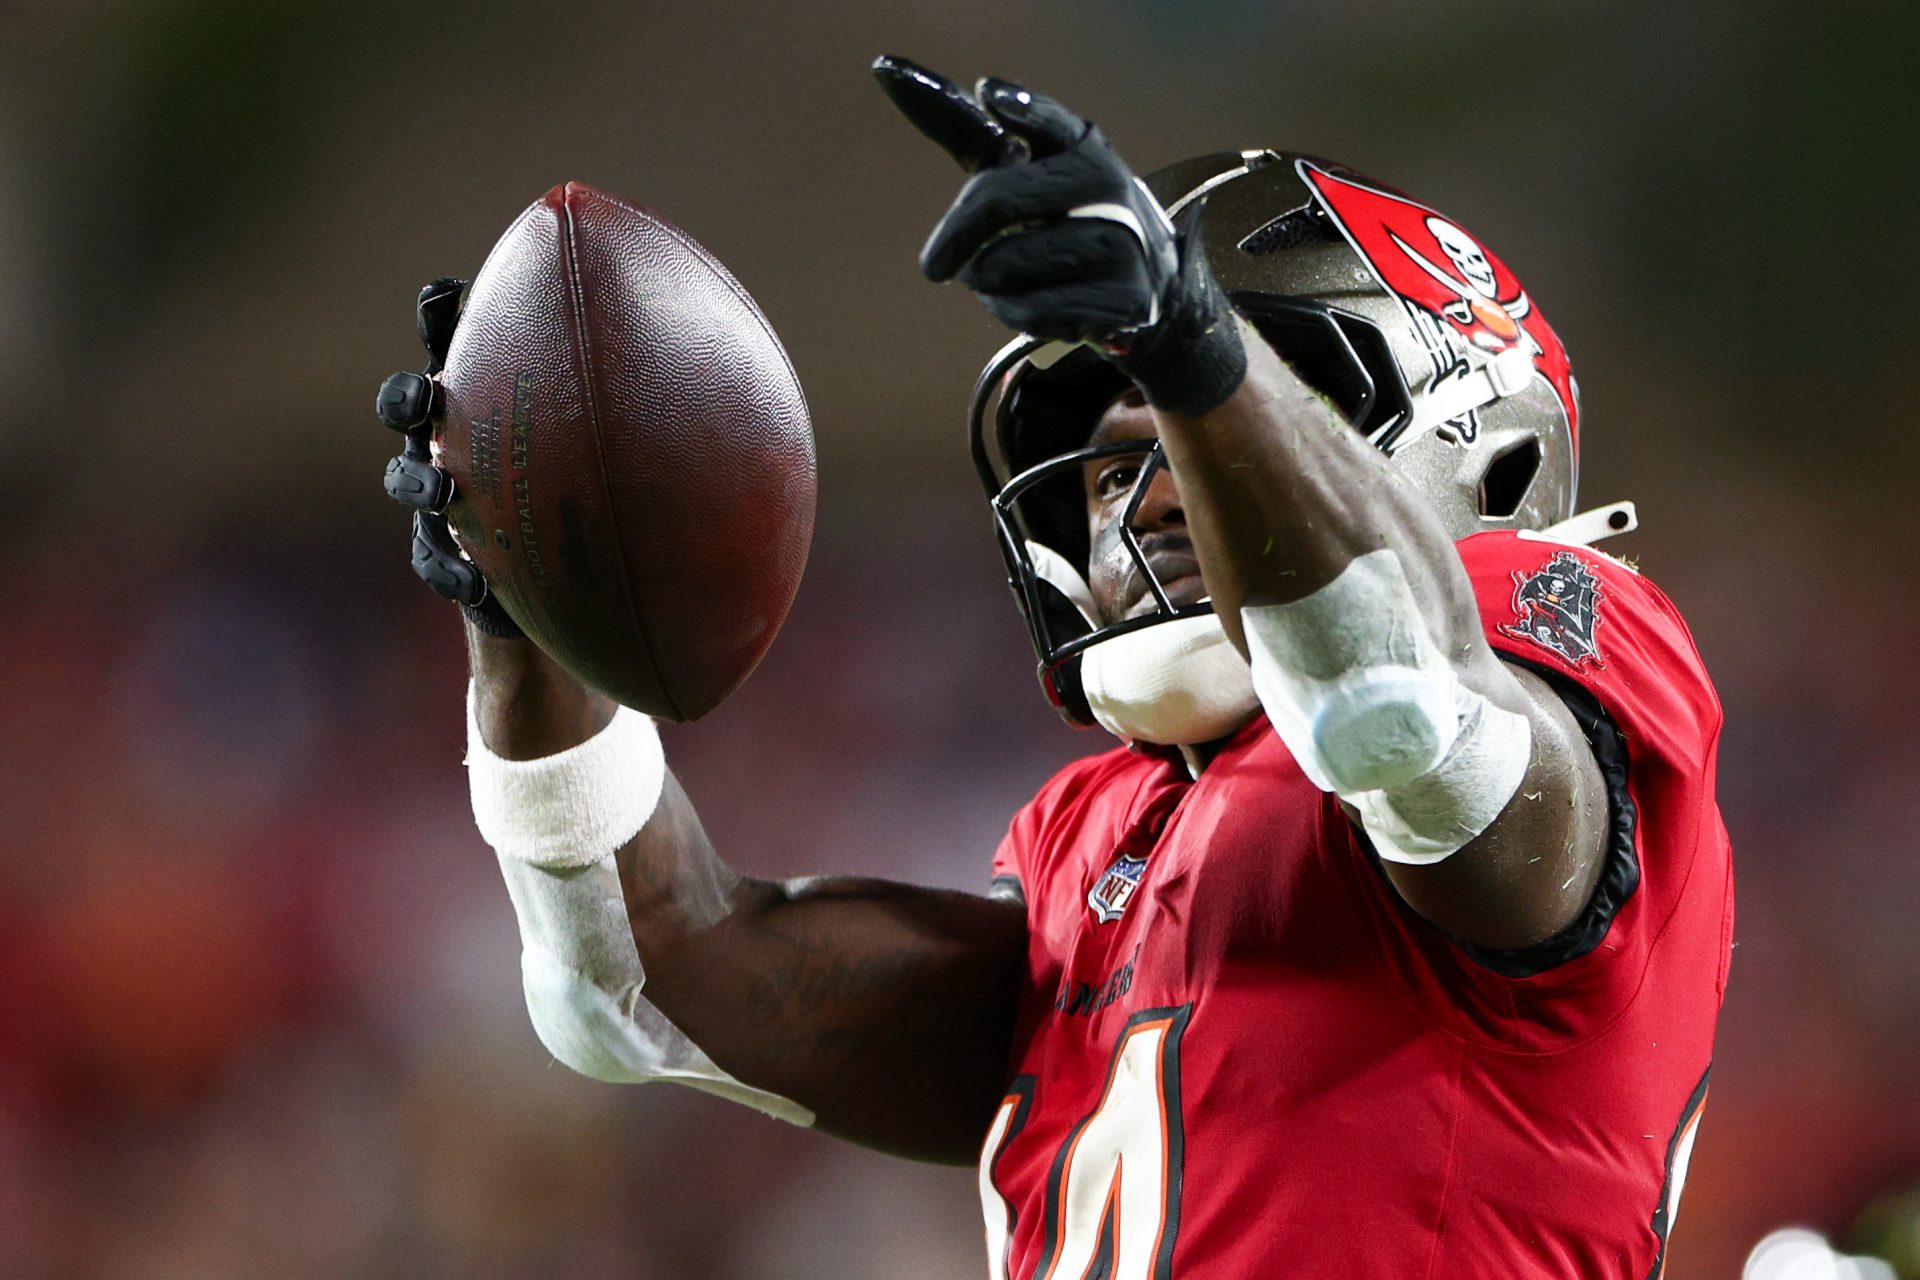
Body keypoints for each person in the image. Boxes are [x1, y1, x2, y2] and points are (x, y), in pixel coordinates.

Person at [375, 58, 1732, 1279]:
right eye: (1108, 462)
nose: (1140, 493)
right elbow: (644, 975)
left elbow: (1402, 712)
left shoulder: (1563, 631)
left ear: (1474, 453)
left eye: (1199, 425)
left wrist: (1198, 346)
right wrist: (523, 623)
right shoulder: (1104, 837)